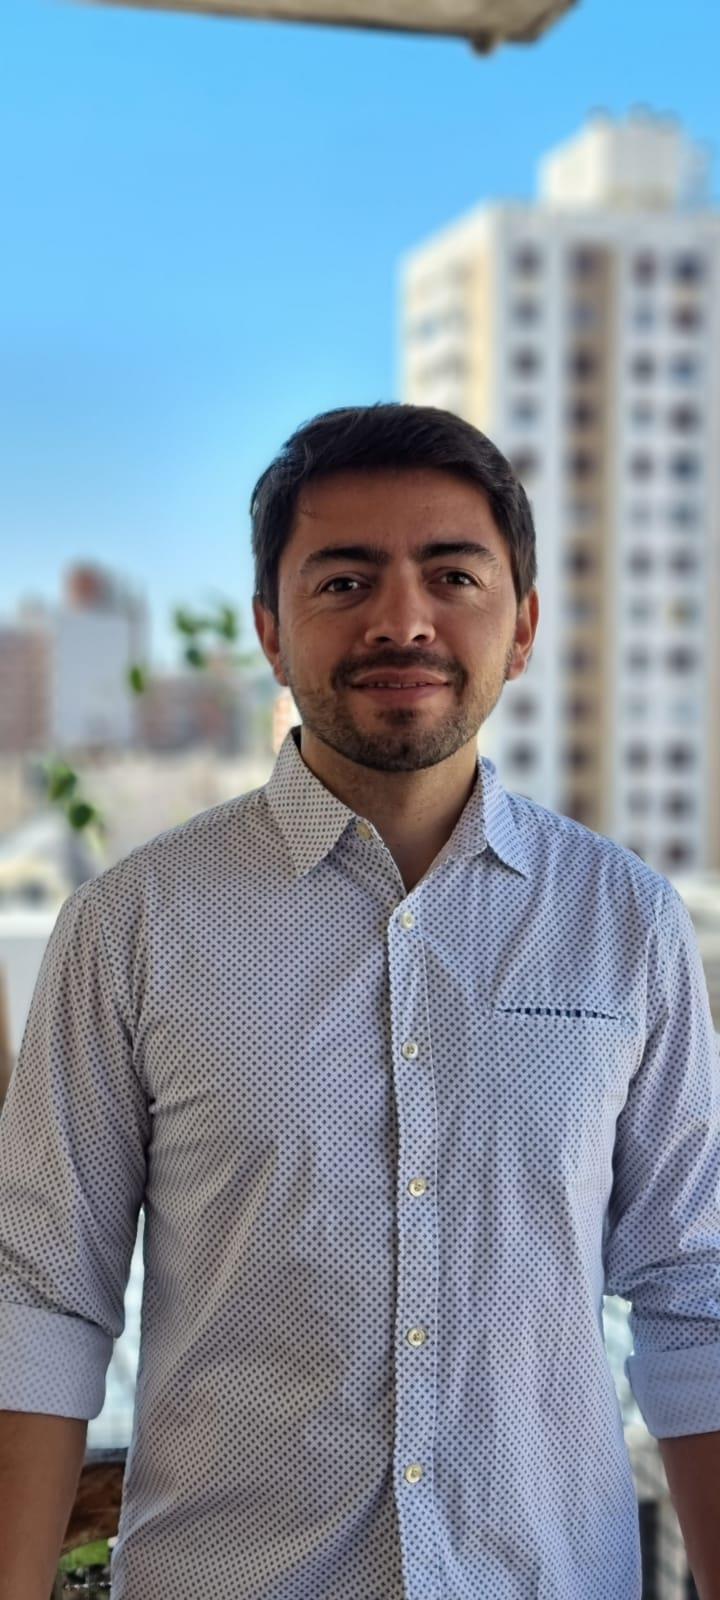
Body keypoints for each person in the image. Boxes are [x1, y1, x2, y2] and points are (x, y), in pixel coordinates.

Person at [0, 401, 718, 1600]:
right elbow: (38, 1297)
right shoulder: (131, 924)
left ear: (523, 626)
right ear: (270, 633)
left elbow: (697, 1296)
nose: (402, 620)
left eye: (453, 575)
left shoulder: (626, 921)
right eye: (344, 580)